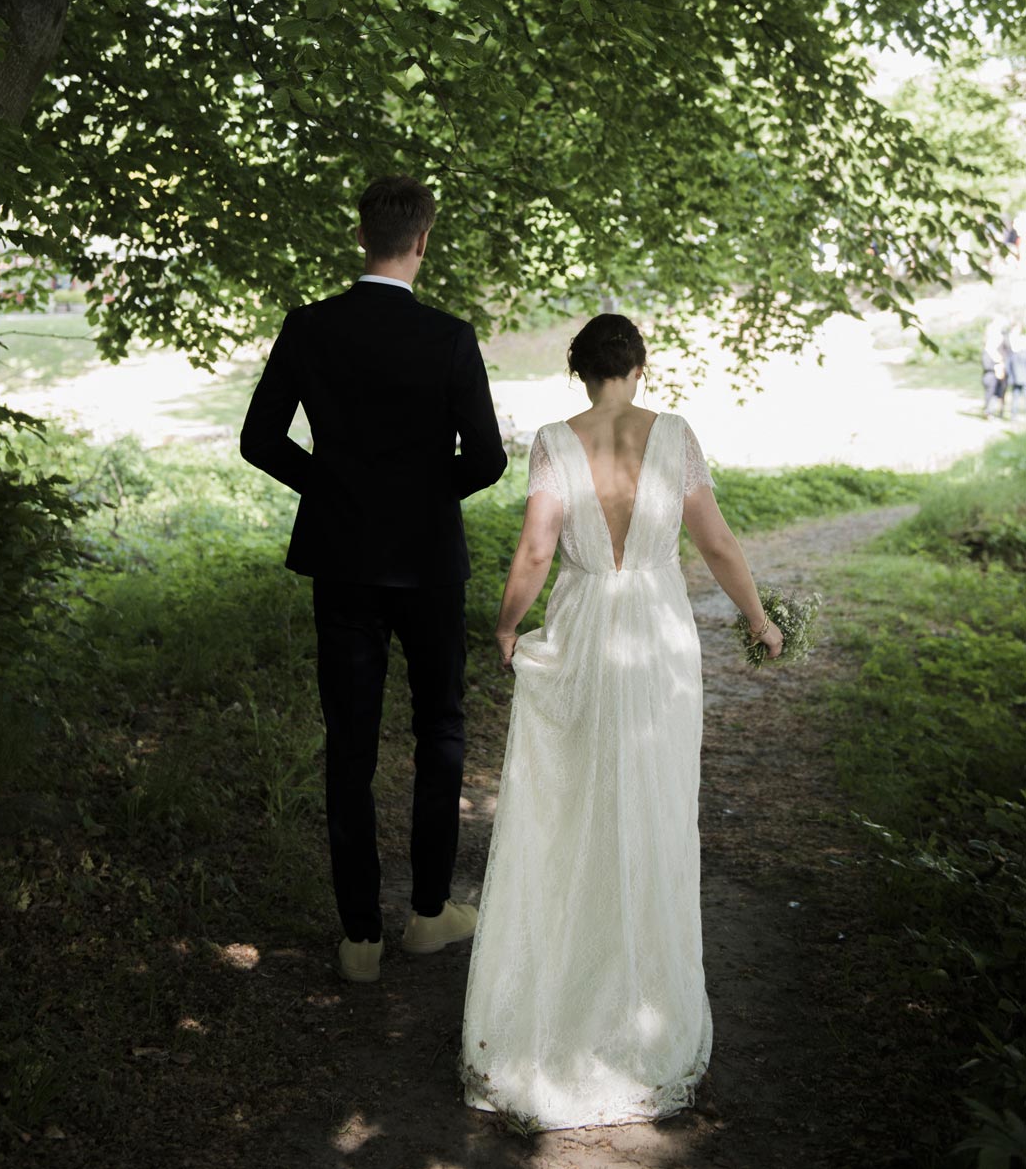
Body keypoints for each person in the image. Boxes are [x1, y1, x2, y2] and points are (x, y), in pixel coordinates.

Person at [462, 313, 782, 1131]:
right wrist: (756, 619)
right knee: (653, 804)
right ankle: (641, 997)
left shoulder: (552, 439)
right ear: (638, 367)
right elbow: (713, 543)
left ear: (580, 371)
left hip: (580, 632)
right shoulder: (672, 435)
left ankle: (565, 990)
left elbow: (536, 550)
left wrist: (506, 625)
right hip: (656, 635)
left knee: (570, 811)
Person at [240, 175, 508, 983]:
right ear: (422, 241)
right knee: (441, 732)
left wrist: (336, 490)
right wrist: (420, 498)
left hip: (343, 558)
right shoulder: (451, 337)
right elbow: (489, 459)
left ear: (362, 237)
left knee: (349, 742)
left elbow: (261, 440)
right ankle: (428, 915)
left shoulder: (310, 328)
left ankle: (359, 937)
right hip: (427, 559)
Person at [982, 318, 1008, 419]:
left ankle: (993, 412)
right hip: (990, 376)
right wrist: (996, 367)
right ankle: (988, 412)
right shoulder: (987, 351)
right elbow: (986, 364)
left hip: (998, 376)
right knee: (990, 394)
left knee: (997, 395)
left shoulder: (999, 352)